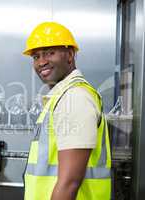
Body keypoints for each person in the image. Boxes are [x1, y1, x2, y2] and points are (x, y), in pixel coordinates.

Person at [22, 22, 111, 200]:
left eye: (49, 53)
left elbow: (70, 182)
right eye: (36, 57)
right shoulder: (61, 97)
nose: (41, 62)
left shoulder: (74, 98)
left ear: (70, 55)